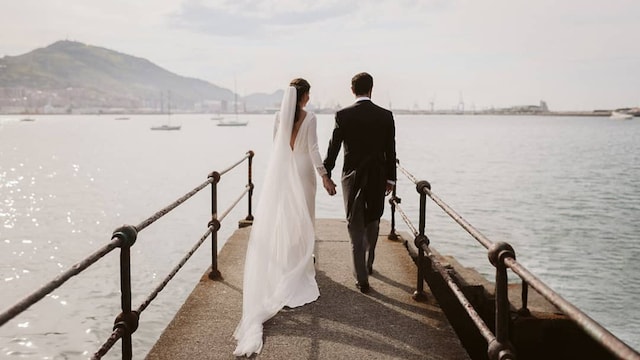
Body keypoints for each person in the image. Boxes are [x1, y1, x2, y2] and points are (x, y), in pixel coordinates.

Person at [233, 78, 330, 357]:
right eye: (309, 94)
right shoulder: (310, 118)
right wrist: (324, 175)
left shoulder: (278, 117)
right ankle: (302, 263)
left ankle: (289, 262)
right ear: (305, 96)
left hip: (285, 171)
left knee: (285, 219)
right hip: (303, 172)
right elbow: (312, 150)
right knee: (304, 220)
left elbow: (277, 147)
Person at [322, 72, 396, 294]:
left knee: (355, 225)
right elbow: (390, 150)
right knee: (373, 221)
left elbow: (333, 147)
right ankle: (368, 263)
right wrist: (391, 178)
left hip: (351, 178)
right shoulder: (385, 116)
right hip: (377, 176)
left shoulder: (343, 115)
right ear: (371, 89)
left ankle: (361, 278)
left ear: (352, 90)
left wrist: (327, 174)